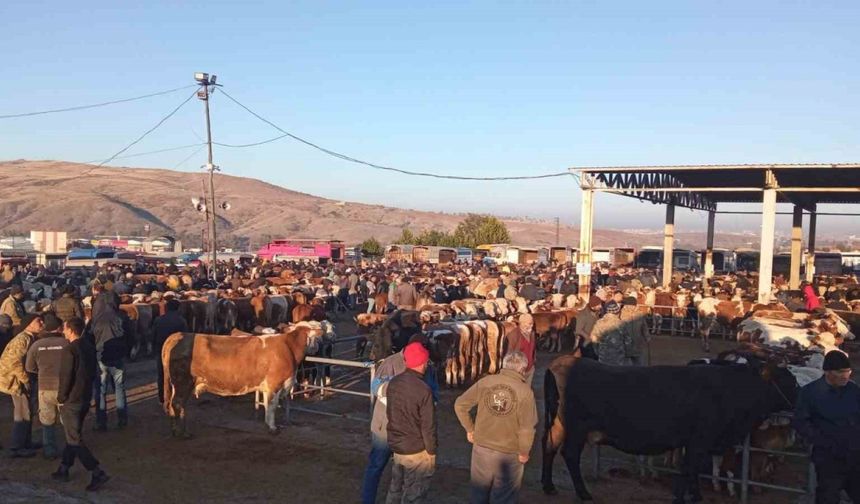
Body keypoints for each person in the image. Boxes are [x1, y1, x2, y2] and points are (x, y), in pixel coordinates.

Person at [361, 339, 439, 504]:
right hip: (386, 427)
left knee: (398, 473)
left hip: (408, 430)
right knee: (377, 466)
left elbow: (433, 394)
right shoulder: (389, 363)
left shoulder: (427, 368)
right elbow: (376, 388)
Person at [454, 351, 538, 504]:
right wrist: (524, 452)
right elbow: (527, 428)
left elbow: (460, 404)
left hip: (482, 448)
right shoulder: (526, 392)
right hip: (509, 453)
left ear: (504, 365)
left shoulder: (486, 382)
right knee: (504, 496)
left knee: (478, 493)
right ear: (522, 370)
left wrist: (470, 429)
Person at [793, 350, 860, 504]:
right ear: (828, 372)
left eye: (848, 371)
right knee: (828, 497)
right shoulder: (810, 393)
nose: (845, 376)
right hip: (829, 459)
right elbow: (800, 422)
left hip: (855, 456)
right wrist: (823, 440)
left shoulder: (854, 390)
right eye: (840, 372)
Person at [53, 317, 110, 491]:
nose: (63, 331)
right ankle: (64, 467)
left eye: (64, 328)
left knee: (74, 438)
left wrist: (61, 397)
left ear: (70, 330)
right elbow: (93, 372)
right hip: (85, 396)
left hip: (72, 399)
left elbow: (66, 377)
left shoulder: (69, 350)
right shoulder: (88, 346)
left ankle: (96, 471)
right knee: (74, 433)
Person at [385, 342, 436, 504]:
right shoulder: (423, 389)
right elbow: (428, 425)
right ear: (422, 363)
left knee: (395, 488)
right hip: (416, 448)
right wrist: (431, 450)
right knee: (414, 493)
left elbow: (390, 413)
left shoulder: (394, 383)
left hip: (398, 445)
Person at [0, 313, 44, 457]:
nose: (41, 323)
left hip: (19, 379)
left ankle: (26, 442)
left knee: (27, 412)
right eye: (38, 321)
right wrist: (25, 380)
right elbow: (15, 363)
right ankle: (17, 447)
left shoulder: (29, 338)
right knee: (22, 413)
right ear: (29, 324)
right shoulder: (22, 340)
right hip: (15, 381)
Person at [25, 314, 67, 459]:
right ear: (59, 328)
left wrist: (42, 371)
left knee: (47, 421)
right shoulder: (66, 344)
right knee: (67, 419)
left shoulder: (36, 345)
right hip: (64, 387)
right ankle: (72, 447)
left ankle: (49, 450)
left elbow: (29, 367)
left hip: (44, 386)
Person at [89, 285, 128, 430]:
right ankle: (122, 419)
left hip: (101, 357)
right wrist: (127, 352)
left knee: (100, 390)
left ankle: (101, 422)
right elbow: (131, 336)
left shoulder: (95, 320)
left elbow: (89, 338)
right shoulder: (121, 317)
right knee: (119, 388)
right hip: (118, 357)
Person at [152, 299, 188, 404]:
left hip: (161, 349)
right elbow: (185, 337)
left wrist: (155, 349)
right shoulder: (181, 321)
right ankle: (175, 396)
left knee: (162, 374)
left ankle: (162, 397)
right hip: (177, 350)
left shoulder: (158, 320)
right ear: (178, 308)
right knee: (177, 374)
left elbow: (153, 336)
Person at [593, 301, 632, 366]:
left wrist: (599, 352)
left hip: (603, 357)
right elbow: (628, 342)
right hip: (618, 359)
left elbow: (594, 340)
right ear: (617, 313)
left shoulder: (599, 323)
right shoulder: (621, 324)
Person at [620, 297, 650, 365]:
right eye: (627, 305)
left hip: (637, 343)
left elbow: (644, 326)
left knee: (639, 364)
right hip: (625, 345)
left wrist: (647, 336)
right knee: (625, 365)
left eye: (631, 305)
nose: (629, 307)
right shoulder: (621, 314)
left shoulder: (640, 314)